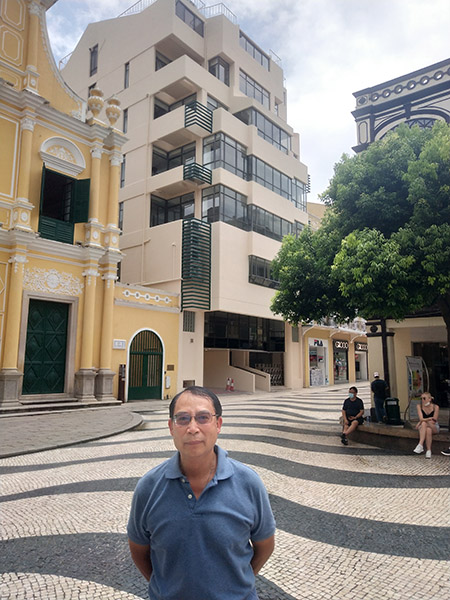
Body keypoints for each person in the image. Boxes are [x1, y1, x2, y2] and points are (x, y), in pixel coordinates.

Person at [127, 386, 276, 600]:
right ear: (171, 427)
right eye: (183, 419)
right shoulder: (148, 488)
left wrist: (237, 586)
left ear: (218, 424)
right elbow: (139, 550)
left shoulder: (248, 483)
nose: (192, 428)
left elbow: (265, 545)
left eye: (203, 418)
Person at [413, 392, 440, 458]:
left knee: (424, 423)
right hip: (424, 426)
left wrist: (422, 421)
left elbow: (434, 420)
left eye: (424, 398)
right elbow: (421, 418)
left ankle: (420, 444)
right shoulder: (419, 406)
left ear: (429, 399)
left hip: (433, 426)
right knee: (428, 430)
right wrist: (428, 419)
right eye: (421, 398)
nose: (422, 400)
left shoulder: (435, 407)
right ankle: (428, 451)